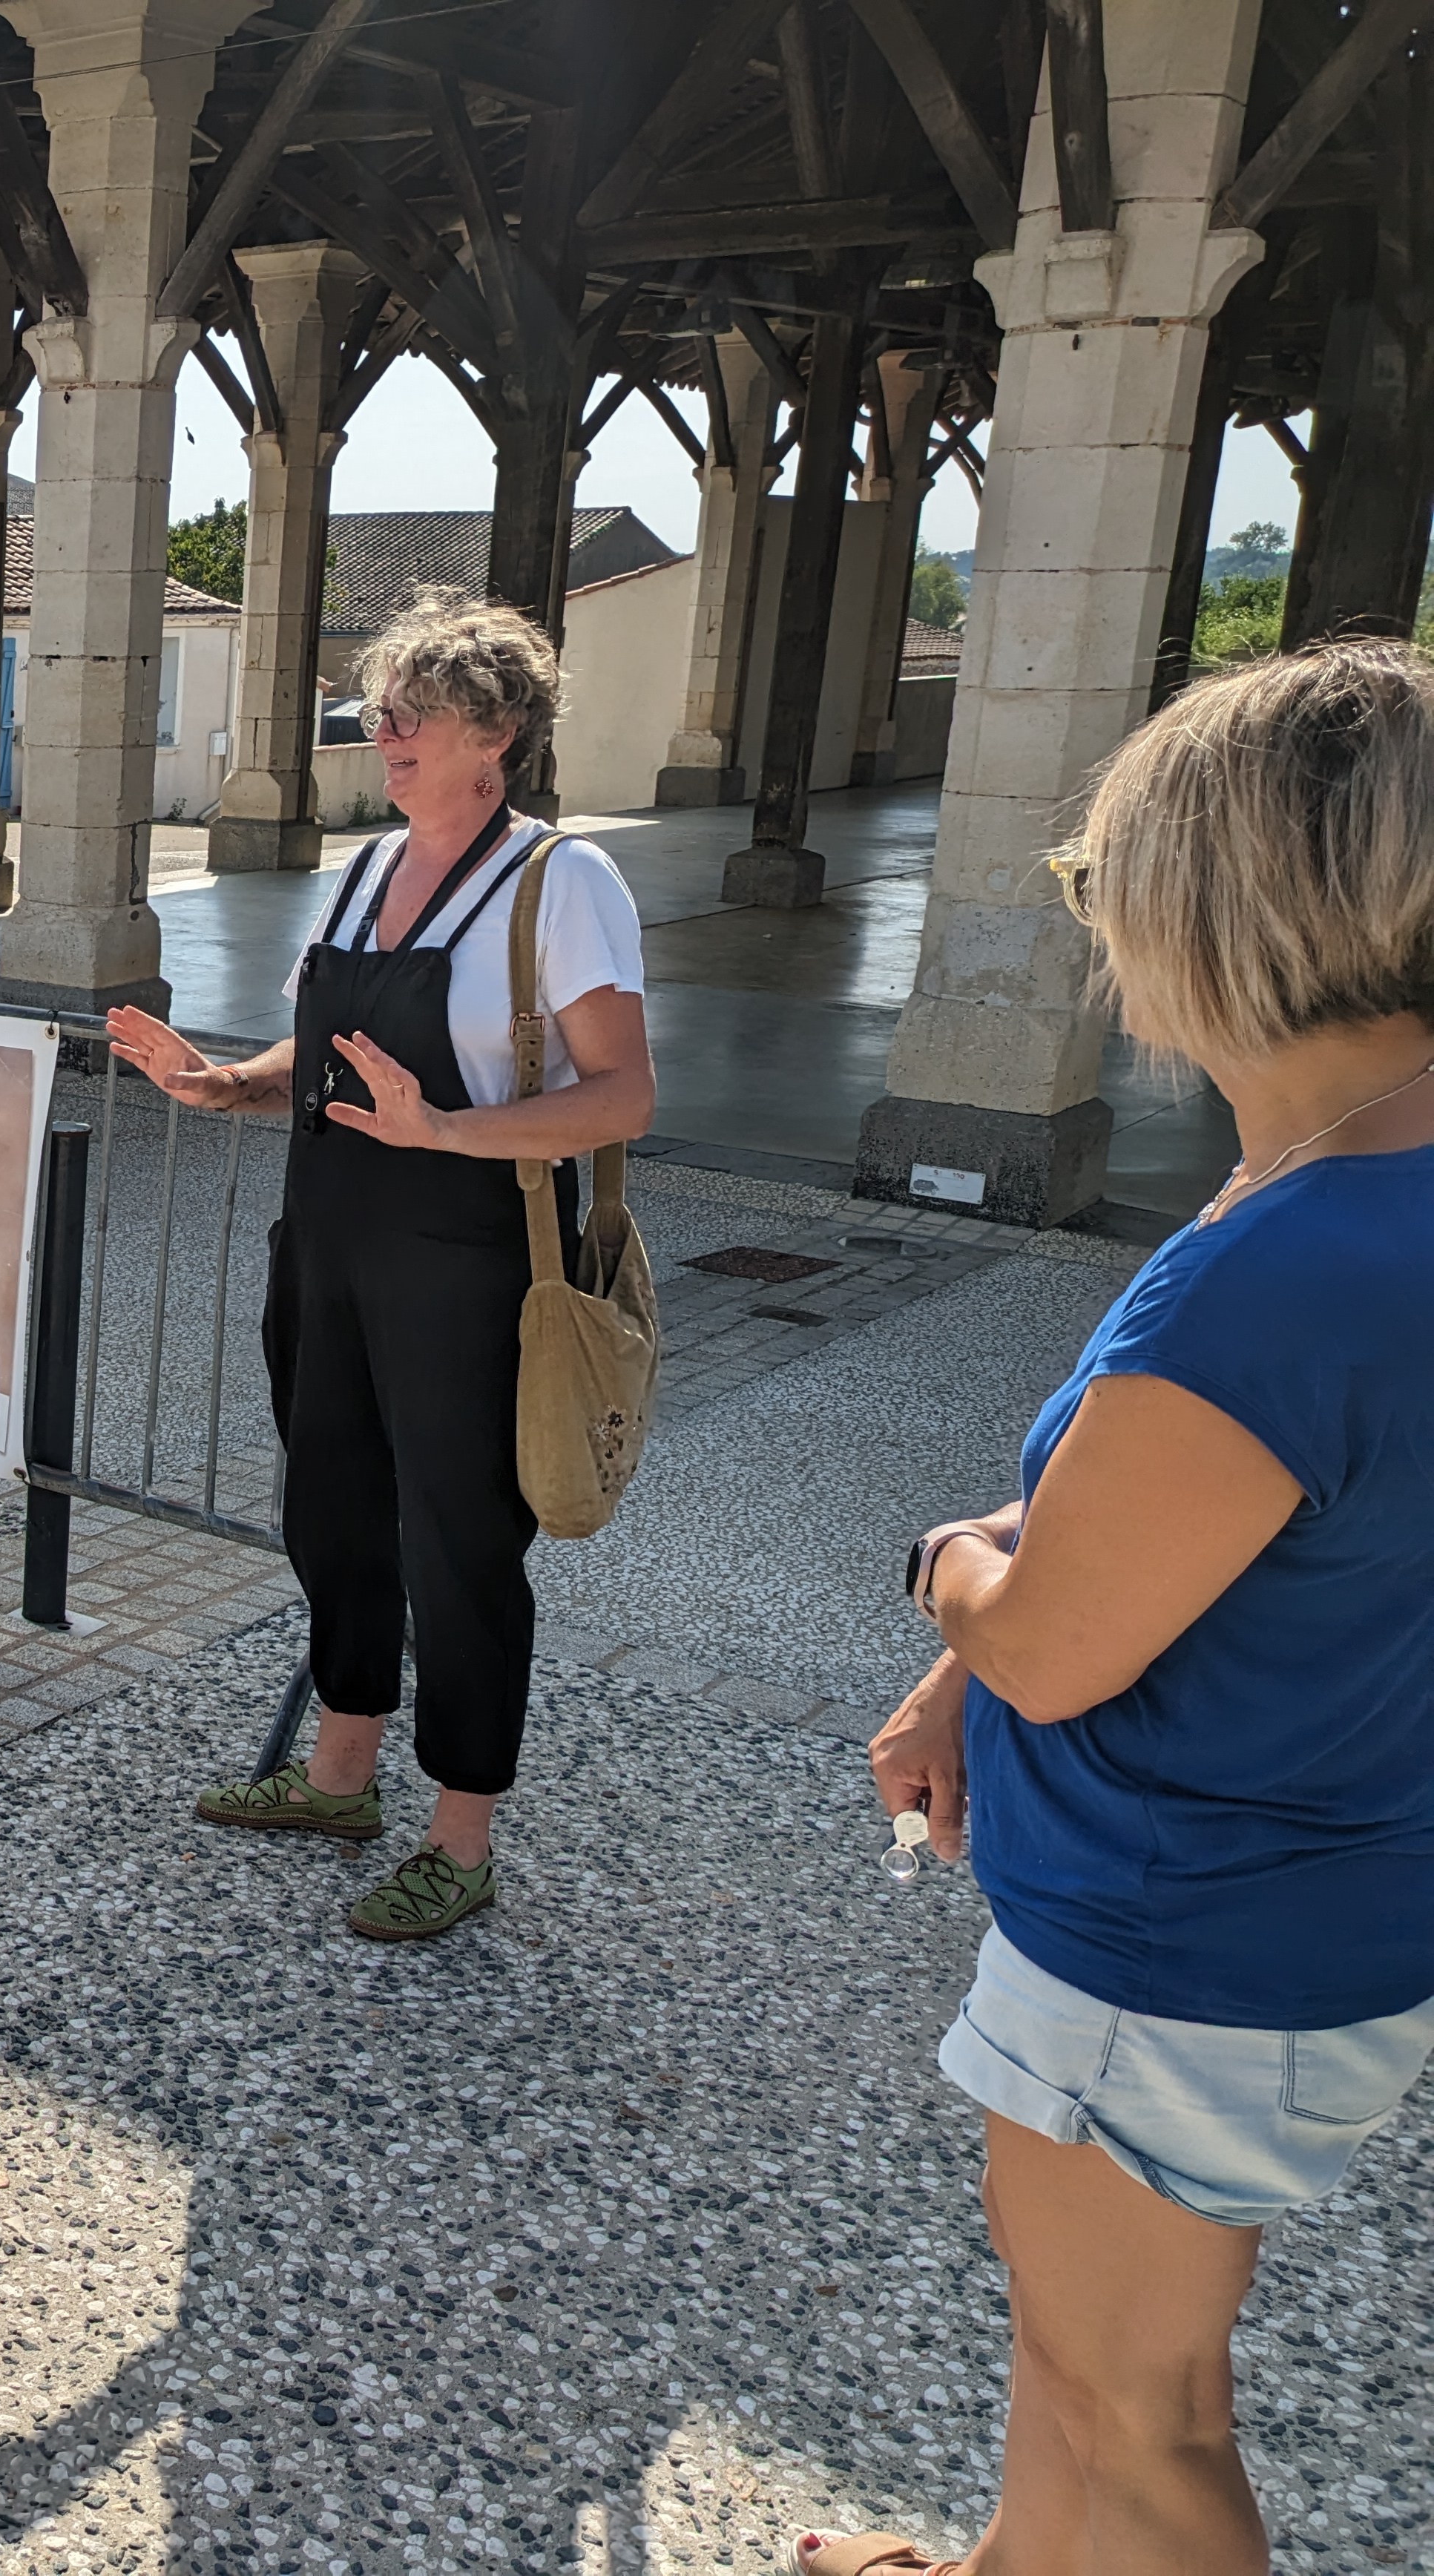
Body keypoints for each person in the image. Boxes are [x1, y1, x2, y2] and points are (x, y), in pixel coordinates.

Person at [813, 640, 1434, 2576]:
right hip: (1322, 1900)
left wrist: (952, 1573)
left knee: (1146, 2414)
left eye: (1100, 881)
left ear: (1214, 907)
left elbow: (1067, 1622)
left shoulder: (1287, 1266)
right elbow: (1209, 1521)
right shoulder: (1352, 1180)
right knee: (1084, 2362)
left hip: (1178, 1939)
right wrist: (957, 1680)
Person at [107, 596, 654, 1942]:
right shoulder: (359, 874)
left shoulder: (557, 884)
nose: (385, 732)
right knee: (331, 1509)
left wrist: (447, 1131)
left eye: (418, 711)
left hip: (467, 1261)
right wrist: (214, 1082)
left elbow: (621, 1096)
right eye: (381, 708)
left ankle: (457, 1835)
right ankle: (337, 1775)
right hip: (331, 1240)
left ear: (499, 734)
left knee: (459, 1542)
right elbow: (322, 1056)